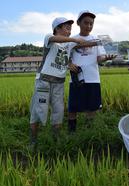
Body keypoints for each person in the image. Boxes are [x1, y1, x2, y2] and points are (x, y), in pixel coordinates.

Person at [29, 17, 87, 146]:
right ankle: (33, 141)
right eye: (67, 27)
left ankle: (56, 140)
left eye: (70, 28)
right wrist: (73, 39)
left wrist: (98, 43)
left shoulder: (68, 44)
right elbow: (57, 39)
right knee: (39, 110)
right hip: (44, 80)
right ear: (57, 28)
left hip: (59, 82)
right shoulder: (49, 37)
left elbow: (84, 43)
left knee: (58, 111)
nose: (69, 30)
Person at [68, 10, 115, 133]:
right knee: (73, 108)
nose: (88, 26)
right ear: (78, 23)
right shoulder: (72, 40)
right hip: (76, 79)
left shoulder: (96, 39)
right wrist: (69, 64)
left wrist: (107, 57)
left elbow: (99, 58)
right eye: (85, 23)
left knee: (92, 108)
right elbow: (64, 56)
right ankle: (72, 133)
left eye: (91, 24)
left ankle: (89, 133)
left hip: (93, 78)